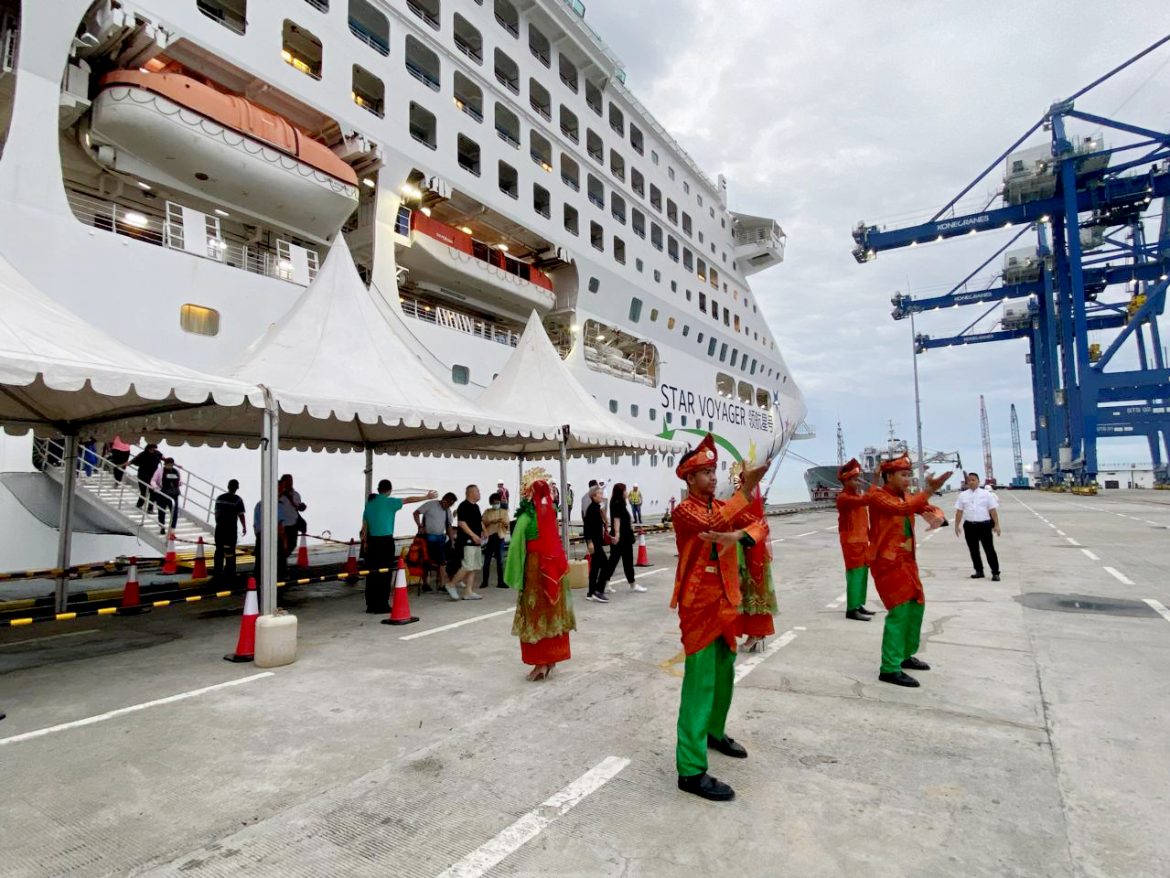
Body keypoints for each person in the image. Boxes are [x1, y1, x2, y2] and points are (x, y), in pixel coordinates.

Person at [670, 434, 769, 802]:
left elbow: (759, 524)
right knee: (699, 682)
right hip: (699, 604)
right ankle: (691, 769)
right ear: (689, 479)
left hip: (728, 599)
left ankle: (713, 731)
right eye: (706, 472)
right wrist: (748, 489)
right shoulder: (686, 511)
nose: (713, 478)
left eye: (713, 471)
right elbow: (714, 520)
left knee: (725, 671)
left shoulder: (725, 504)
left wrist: (741, 536)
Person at [868, 454, 951, 688]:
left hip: (907, 561)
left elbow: (923, 505)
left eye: (909, 475)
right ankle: (889, 667)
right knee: (899, 610)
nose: (907, 479)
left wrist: (937, 515)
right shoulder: (877, 496)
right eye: (903, 475)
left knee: (916, 605)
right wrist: (929, 491)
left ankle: (904, 654)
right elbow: (903, 508)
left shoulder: (905, 495)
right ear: (889, 476)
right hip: (888, 562)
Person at [505, 468, 576, 681]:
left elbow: (516, 546)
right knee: (553, 612)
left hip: (535, 570)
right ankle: (551, 658)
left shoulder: (526, 517)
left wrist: (514, 575)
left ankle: (539, 664)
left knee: (534, 615)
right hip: (553, 568)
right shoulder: (551, 513)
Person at [362, 479, 437, 614]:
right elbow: (408, 500)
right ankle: (382, 605)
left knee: (372, 573)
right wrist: (426, 497)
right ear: (390, 490)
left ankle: (370, 604)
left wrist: (365, 542)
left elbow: (364, 527)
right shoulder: (390, 502)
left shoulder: (369, 505)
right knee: (385, 573)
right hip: (385, 541)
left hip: (372, 542)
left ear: (378, 489)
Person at [730, 460, 777, 652]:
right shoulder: (746, 497)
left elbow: (743, 519)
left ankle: (756, 633)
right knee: (748, 593)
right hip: (746, 548)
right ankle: (755, 633)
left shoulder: (745, 498)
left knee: (753, 593)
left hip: (751, 550)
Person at [836, 458, 876, 621]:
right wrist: (875, 479)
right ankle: (851, 609)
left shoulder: (855, 495)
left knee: (863, 574)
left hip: (861, 541)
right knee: (855, 574)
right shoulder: (844, 498)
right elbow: (867, 500)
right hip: (851, 543)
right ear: (846, 481)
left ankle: (858, 604)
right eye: (854, 479)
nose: (857, 482)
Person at [954, 472, 1001, 581]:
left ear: (978, 481)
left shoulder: (986, 494)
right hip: (970, 526)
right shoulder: (962, 495)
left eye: (973, 480)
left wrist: (997, 525)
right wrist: (957, 526)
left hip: (984, 525)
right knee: (974, 550)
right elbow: (959, 512)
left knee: (989, 549)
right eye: (969, 480)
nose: (971, 482)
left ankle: (995, 572)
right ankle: (979, 571)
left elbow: (993, 510)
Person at [446, 484, 486, 600]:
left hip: (476, 540)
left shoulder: (476, 507)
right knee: (468, 565)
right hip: (467, 541)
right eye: (477, 491)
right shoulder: (463, 506)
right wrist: (473, 535)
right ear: (471, 493)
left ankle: (468, 591)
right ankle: (451, 584)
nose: (479, 493)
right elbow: (461, 523)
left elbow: (479, 521)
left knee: (473, 566)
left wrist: (483, 531)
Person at [607, 483, 646, 593]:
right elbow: (616, 519)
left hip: (624, 537)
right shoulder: (618, 503)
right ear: (620, 492)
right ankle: (630, 584)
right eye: (625, 490)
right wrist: (617, 534)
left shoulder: (617, 502)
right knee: (617, 560)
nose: (626, 492)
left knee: (620, 560)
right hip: (622, 538)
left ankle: (631, 583)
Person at [414, 491, 457, 588]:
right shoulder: (430, 505)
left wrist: (452, 541)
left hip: (440, 539)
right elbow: (416, 513)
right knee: (425, 561)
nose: (449, 506)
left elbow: (449, 526)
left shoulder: (447, 511)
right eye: (449, 503)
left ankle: (442, 585)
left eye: (452, 504)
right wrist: (419, 525)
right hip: (427, 538)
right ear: (444, 500)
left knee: (442, 562)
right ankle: (425, 584)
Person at [212, 479, 246, 582]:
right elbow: (241, 515)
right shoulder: (237, 500)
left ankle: (217, 572)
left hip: (219, 529)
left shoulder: (219, 498)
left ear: (228, 486)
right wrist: (244, 527)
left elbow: (216, 513)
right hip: (230, 530)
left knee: (219, 550)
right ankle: (230, 572)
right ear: (237, 488)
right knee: (230, 551)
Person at [583, 484, 612, 603]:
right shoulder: (592, 509)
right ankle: (598, 590)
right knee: (606, 565)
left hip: (597, 541)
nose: (602, 496)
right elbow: (587, 527)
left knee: (595, 567)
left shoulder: (596, 507)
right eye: (599, 494)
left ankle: (590, 592)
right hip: (594, 542)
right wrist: (589, 542)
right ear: (593, 496)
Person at [481, 492, 510, 588]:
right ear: (490, 502)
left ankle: (501, 582)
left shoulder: (504, 512)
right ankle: (485, 581)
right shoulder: (487, 511)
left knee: (500, 560)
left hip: (500, 536)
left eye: (497, 502)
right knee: (487, 560)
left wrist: (503, 523)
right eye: (493, 502)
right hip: (489, 537)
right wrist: (491, 522)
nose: (495, 504)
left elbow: (507, 525)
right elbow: (482, 523)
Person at [278, 475, 306, 563]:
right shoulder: (278, 494)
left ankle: (281, 560)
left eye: (291, 480)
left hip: (293, 524)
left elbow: (297, 507)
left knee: (292, 545)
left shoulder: (296, 494)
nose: (290, 482)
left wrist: (302, 507)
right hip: (281, 525)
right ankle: (280, 562)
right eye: (288, 481)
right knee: (281, 546)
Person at [151, 457, 182, 534]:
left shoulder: (176, 471)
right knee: (161, 511)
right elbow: (153, 480)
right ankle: (162, 526)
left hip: (174, 494)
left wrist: (179, 483)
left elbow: (179, 481)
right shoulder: (160, 471)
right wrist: (156, 487)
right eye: (168, 464)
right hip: (162, 494)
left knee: (174, 512)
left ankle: (172, 528)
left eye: (171, 465)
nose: (170, 466)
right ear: (165, 464)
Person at [130, 443, 163, 515]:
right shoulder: (143, 454)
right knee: (144, 492)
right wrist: (123, 465)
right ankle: (139, 505)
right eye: (151, 448)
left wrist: (175, 465)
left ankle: (150, 509)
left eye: (154, 448)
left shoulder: (157, 453)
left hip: (153, 477)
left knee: (153, 492)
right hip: (143, 475)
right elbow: (133, 461)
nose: (153, 450)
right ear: (148, 448)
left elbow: (164, 458)